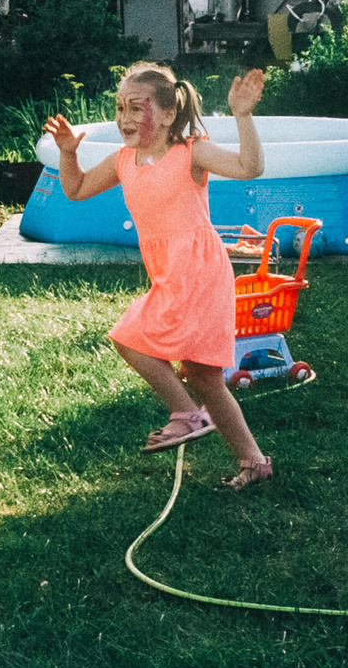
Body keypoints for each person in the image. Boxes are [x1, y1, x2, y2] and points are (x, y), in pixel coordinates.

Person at [48, 62, 276, 489]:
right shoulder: (123, 161)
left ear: (169, 114)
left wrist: (243, 116)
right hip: (169, 272)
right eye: (119, 108)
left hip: (199, 271)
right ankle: (254, 462)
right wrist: (67, 153)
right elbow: (76, 189)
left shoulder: (191, 152)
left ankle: (188, 415)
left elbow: (250, 167)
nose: (125, 118)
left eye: (137, 108)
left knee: (128, 337)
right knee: (203, 375)